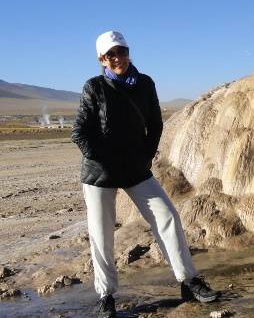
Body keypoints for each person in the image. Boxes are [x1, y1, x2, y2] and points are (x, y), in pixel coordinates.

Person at [71, 31, 219, 318]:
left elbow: (155, 124)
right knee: (101, 235)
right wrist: (102, 157)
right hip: (100, 174)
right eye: (110, 54)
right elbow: (79, 131)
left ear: (128, 52)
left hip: (135, 169)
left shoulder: (145, 83)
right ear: (102, 59)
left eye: (121, 51)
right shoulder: (94, 87)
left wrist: (146, 156)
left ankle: (188, 281)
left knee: (167, 216)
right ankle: (106, 296)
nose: (118, 58)